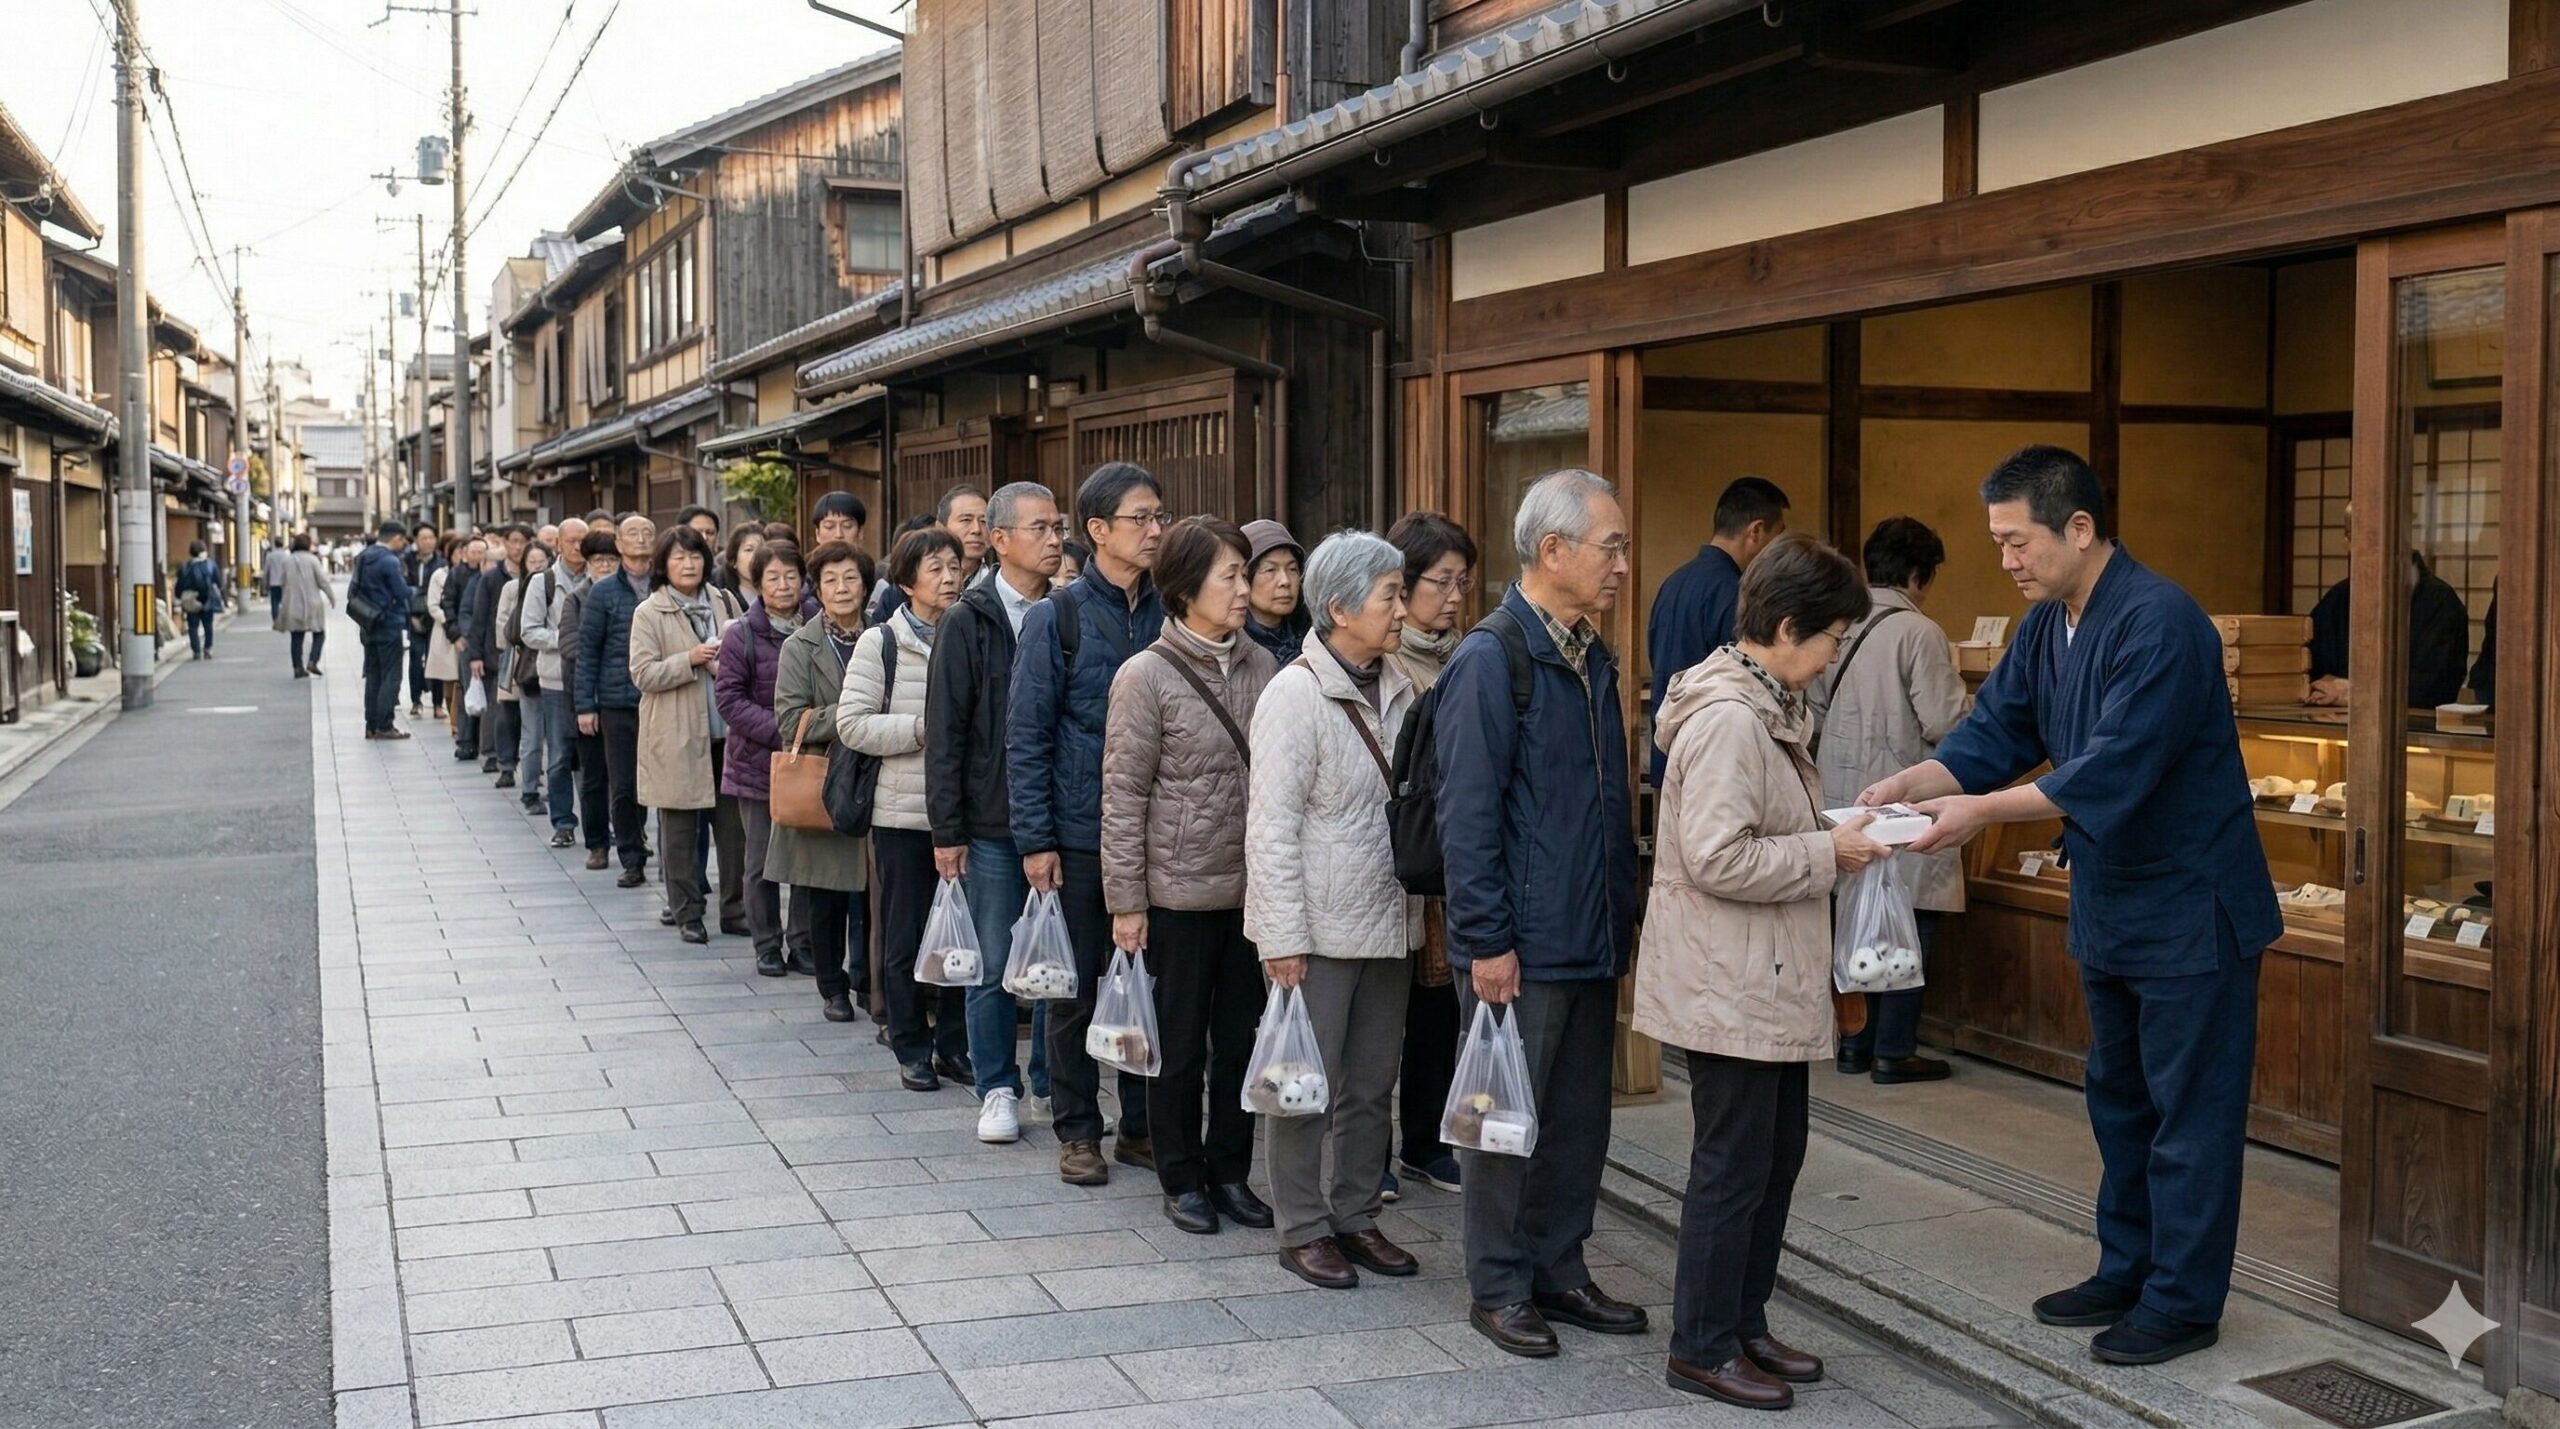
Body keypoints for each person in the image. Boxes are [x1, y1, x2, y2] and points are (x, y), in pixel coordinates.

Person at [1863, 445, 2280, 1367]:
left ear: (2079, 529)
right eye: (1999, 543)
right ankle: (2127, 1264)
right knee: (2119, 1100)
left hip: (2190, 905)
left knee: (2190, 1111)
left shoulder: (2164, 623)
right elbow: (1993, 733)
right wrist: (1913, 783)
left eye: (2018, 541)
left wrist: (1974, 813)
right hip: (2112, 900)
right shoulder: (2047, 626)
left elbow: (2110, 770)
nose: (2007, 560)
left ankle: (2182, 1299)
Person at [1635, 533, 1883, 1410]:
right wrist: (1829, 849)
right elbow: (1715, 856)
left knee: (1773, 1160)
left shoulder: (1764, 702)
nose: (1831, 657)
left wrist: (1825, 838)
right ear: (1785, 628)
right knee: (1734, 1164)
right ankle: (1700, 1341)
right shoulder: (1734, 717)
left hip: (1763, 972)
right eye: (1830, 639)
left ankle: (1742, 1320)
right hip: (1730, 977)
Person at [1435, 467, 1646, 1359]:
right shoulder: (1494, 657)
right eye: (1613, 547)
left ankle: (1560, 1267)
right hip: (1519, 942)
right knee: (1503, 1118)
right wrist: (1485, 941)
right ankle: (1499, 1282)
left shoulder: (1590, 651)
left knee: (1577, 1119)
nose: (1623, 566)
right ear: (1552, 550)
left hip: (1588, 931)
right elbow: (1466, 814)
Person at [1247, 530, 1422, 1285]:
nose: (1403, 608)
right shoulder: (1295, 693)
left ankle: (1356, 1215)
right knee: (1302, 1084)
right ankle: (1302, 1224)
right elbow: (1270, 823)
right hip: (1315, 926)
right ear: (1341, 606)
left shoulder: (1405, 684)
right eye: (1391, 595)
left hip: (1388, 913)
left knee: (1372, 1082)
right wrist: (1282, 936)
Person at [1101, 516, 1278, 1236]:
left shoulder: (1264, 666)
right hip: (1175, 892)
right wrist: (1126, 900)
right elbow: (1122, 795)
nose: (1245, 589)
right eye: (1230, 576)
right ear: (1184, 588)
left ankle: (1231, 1169)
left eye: (1246, 574)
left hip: (1250, 891)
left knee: (1240, 1038)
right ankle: (1180, 1175)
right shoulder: (1145, 675)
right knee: (1177, 1043)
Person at [1009, 463, 1165, 1185]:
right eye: (1142, 518)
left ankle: (1139, 1124)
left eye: (1160, 516)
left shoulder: (1173, 608)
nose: (1157, 529)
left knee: (1144, 981)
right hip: (1078, 830)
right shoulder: (1058, 616)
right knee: (1074, 992)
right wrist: (1036, 840)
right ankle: (1078, 1128)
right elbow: (1028, 734)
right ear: (1099, 530)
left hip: (1159, 832)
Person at [1805, 516, 1971, 1084]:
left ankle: (1853, 1043)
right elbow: (1945, 721)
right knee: (1909, 922)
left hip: (1841, 799)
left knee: (1854, 919)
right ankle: (1893, 1050)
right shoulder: (1919, 632)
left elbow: (1815, 715)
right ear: (1920, 575)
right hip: (1903, 801)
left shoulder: (1840, 625)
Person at [925, 480, 1063, 1145]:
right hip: (989, 821)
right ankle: (996, 1085)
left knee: (1058, 959)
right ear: (1000, 540)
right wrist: (947, 830)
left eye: (1058, 527)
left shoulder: (1068, 611)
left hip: (1061, 817)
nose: (1054, 538)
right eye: (1040, 527)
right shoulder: (969, 616)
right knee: (993, 960)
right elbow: (946, 732)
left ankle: (1049, 1077)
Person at [842, 528, 975, 1089]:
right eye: (935, 569)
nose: (949, 578)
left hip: (964, 814)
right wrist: (924, 729)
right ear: (905, 582)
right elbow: (851, 724)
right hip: (901, 816)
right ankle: (909, 1045)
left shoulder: (971, 630)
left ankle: (952, 1043)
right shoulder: (883, 643)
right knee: (904, 935)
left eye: (954, 567)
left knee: (959, 937)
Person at [1381, 510, 1479, 1201]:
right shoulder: (1386, 661)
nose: (1452, 596)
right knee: (1387, 1012)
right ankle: (1371, 1148)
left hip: (1450, 857)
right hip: (1397, 853)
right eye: (1440, 581)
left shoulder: (1469, 654)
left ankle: (1425, 1139)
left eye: (1462, 582)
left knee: (1440, 1003)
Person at [773, 540, 876, 1017]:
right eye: (831, 580)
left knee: (872, 893)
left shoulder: (883, 636)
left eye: (850, 578)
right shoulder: (801, 645)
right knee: (826, 892)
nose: (842, 588)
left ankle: (868, 983)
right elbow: (791, 719)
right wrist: (854, 712)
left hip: (877, 776)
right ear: (817, 587)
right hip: (827, 782)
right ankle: (832, 986)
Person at [630, 524, 746, 944]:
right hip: (677, 736)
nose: (688, 563)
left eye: (695, 555)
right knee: (679, 832)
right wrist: (691, 659)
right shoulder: (650, 611)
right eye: (678, 557)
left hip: (728, 735)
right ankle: (687, 912)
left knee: (734, 831)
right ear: (663, 565)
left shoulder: (725, 600)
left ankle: (736, 910)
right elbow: (642, 674)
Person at [1645, 476, 1791, 785]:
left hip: (1667, 750)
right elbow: (1745, 682)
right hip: (1710, 759)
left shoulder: (1673, 583)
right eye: (1778, 536)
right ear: (1756, 531)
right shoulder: (1735, 593)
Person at [716, 540, 805, 974]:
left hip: (808, 761)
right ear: (757, 582)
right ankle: (766, 943)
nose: (783, 584)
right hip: (757, 763)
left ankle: (803, 943)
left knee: (808, 857)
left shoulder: (817, 627)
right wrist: (781, 730)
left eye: (791, 575)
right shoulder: (741, 634)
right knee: (761, 861)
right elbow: (729, 700)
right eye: (773, 577)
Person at [2304, 505, 2469, 709]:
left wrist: (2354, 693)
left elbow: (2436, 686)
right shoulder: (2338, 599)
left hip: (2412, 731)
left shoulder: (2439, 601)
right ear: (2348, 541)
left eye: (2385, 533)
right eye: (2365, 535)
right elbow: (2308, 671)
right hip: (2337, 728)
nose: (2377, 543)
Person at [578, 516, 657, 888]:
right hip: (617, 702)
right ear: (619, 545)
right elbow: (587, 651)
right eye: (632, 533)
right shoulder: (604, 591)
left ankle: (645, 840)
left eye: (647, 533)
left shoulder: (665, 585)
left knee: (657, 782)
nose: (640, 539)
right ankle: (631, 856)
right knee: (623, 783)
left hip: (661, 699)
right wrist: (585, 705)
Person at [529, 527, 605, 852]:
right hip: (556, 681)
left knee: (596, 761)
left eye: (581, 540)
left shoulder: (602, 580)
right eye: (570, 540)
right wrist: (569, 639)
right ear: (557, 544)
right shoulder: (543, 582)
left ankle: (599, 824)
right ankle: (562, 822)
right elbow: (529, 630)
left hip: (595, 681)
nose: (576, 546)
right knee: (560, 755)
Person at [497, 541, 555, 814]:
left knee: (556, 739)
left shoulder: (555, 586)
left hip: (557, 674)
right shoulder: (519, 589)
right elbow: (510, 632)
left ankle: (551, 790)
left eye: (542, 560)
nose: (537, 566)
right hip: (532, 674)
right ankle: (530, 790)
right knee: (533, 736)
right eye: (532, 562)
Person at [349, 523, 415, 739]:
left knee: (373, 675)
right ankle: (385, 725)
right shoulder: (390, 560)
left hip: (367, 622)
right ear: (395, 538)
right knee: (391, 676)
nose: (403, 544)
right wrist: (413, 590)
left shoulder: (363, 556)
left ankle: (371, 724)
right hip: (389, 622)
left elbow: (353, 590)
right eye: (402, 539)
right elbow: (401, 591)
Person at [1239, 520, 1309, 666]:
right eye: (1270, 570)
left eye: (1292, 569)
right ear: (1245, 577)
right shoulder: (1232, 645)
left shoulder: (1313, 638)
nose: (1285, 581)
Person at [438, 535, 485, 752]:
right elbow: (448, 605)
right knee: (467, 687)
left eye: (481, 552)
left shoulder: (487, 575)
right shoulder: (457, 574)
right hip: (465, 639)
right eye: (474, 552)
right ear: (465, 553)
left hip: (485, 640)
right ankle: (466, 741)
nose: (478, 556)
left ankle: (481, 740)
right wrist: (455, 635)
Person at [277, 534, 335, 676]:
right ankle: (312, 661)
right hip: (312, 601)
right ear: (308, 545)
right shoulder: (313, 560)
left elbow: (281, 582)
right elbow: (323, 581)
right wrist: (331, 597)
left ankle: (297, 668)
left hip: (293, 602)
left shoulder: (287, 561)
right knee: (319, 633)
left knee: (296, 636)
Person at [423, 535, 465, 721]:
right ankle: (453, 719)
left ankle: (460, 718)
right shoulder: (440, 575)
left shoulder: (474, 574)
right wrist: (450, 621)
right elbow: (433, 605)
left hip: (468, 631)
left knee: (464, 678)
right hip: (445, 631)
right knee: (450, 677)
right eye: (458, 552)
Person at [407, 523, 444, 717]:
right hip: (414, 616)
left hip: (435, 618)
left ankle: (438, 703)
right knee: (415, 657)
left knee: (435, 657)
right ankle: (416, 700)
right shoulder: (407, 561)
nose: (427, 541)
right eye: (423, 538)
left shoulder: (441, 563)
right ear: (416, 541)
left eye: (431, 537)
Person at [177, 540, 225, 660]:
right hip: (207, 599)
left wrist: (179, 597)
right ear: (204, 551)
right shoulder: (210, 564)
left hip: (190, 600)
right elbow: (218, 581)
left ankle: (196, 651)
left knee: (193, 627)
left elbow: (180, 585)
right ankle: (207, 648)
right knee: (208, 626)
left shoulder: (185, 566)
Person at [716, 523, 765, 606]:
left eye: (762, 549)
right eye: (749, 550)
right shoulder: (723, 601)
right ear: (734, 561)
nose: (757, 555)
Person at [263, 534, 289, 630]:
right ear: (282, 544)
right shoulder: (286, 555)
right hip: (284, 583)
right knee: (284, 603)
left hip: (273, 582)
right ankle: (284, 622)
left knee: (274, 603)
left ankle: (275, 622)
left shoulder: (270, 555)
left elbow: (266, 570)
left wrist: (265, 582)